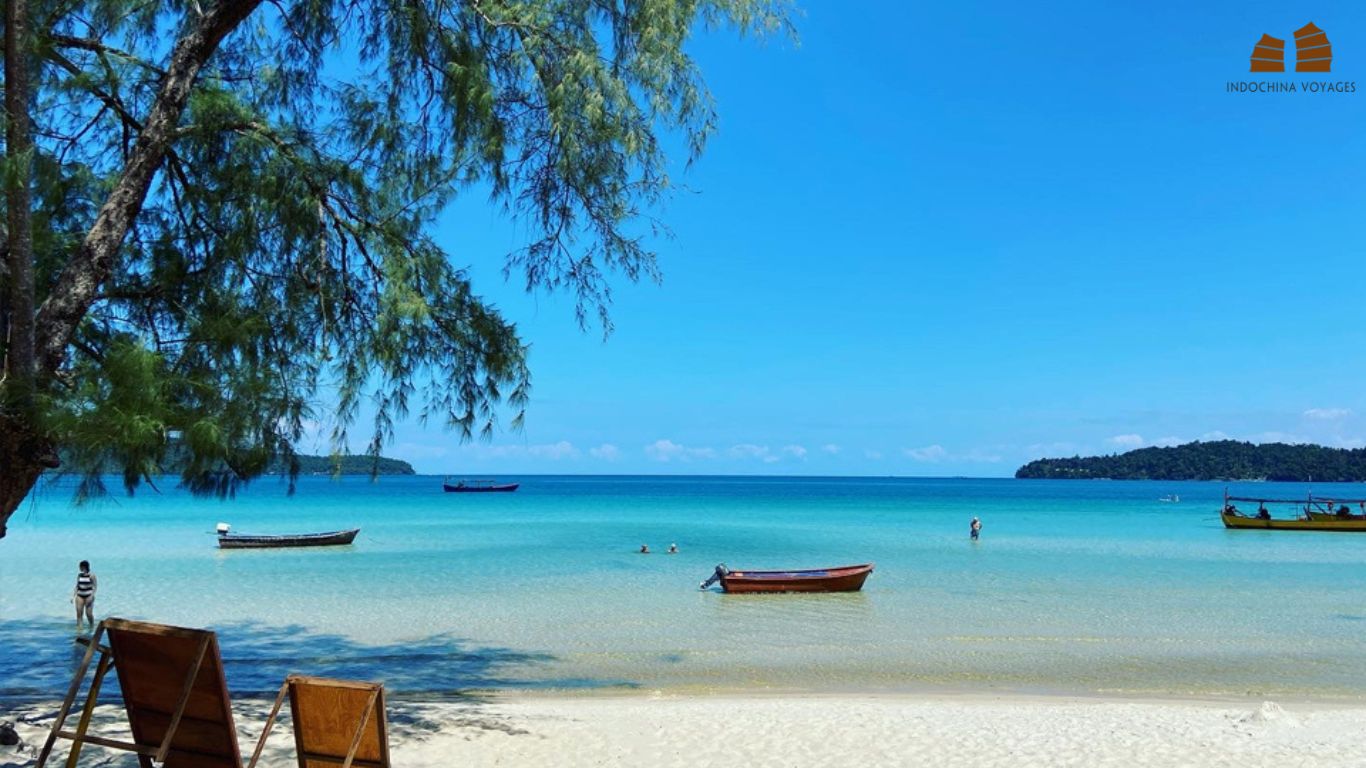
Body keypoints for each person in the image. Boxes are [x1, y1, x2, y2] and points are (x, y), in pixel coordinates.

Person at [72, 560, 97, 629]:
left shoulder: (92, 575)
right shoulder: (79, 575)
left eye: (80, 567)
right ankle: (79, 628)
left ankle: (91, 626)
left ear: (84, 567)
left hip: (88, 596)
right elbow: (77, 586)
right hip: (80, 595)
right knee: (79, 614)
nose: (79, 568)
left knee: (88, 614)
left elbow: (95, 586)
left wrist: (92, 596)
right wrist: (73, 596)